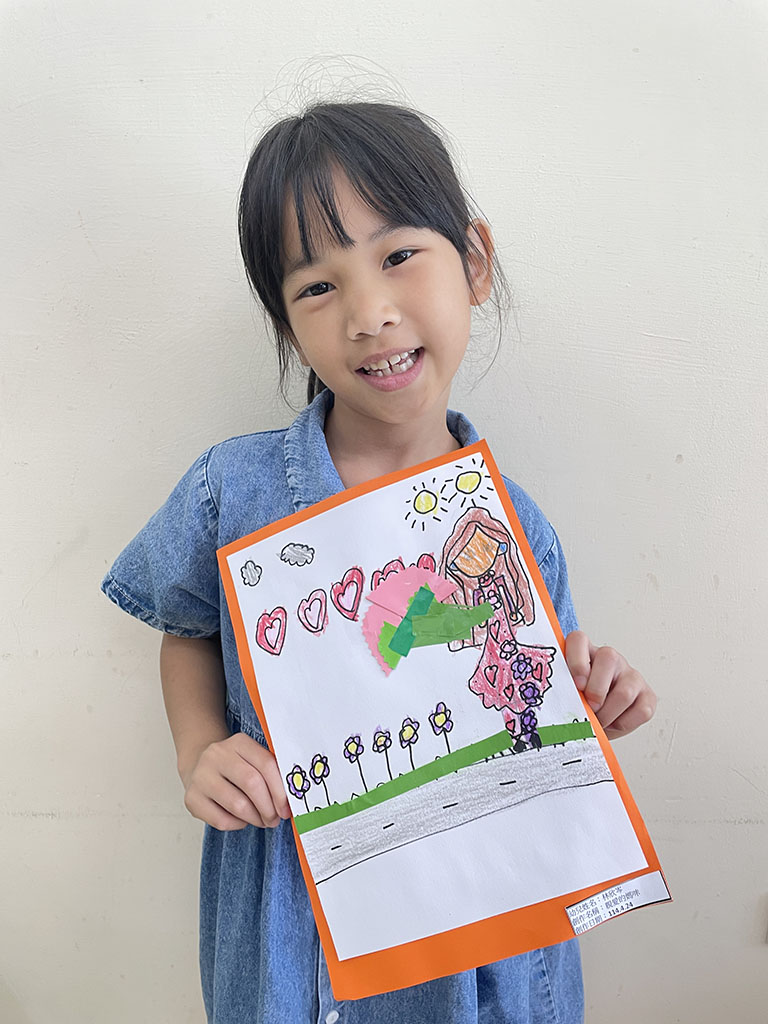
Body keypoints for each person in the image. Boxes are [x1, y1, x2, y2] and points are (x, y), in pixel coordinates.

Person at [101, 100, 657, 1024]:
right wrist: (199, 749)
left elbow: (533, 694)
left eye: (399, 255)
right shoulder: (233, 493)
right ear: (286, 322)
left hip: (483, 941)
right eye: (318, 286)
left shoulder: (518, 527)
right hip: (297, 928)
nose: (370, 314)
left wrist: (594, 694)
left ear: (474, 262)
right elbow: (187, 625)